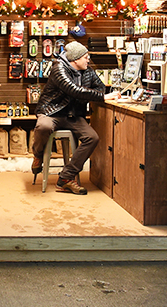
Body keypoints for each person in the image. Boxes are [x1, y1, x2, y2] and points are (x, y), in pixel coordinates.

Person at [30, 41, 119, 194]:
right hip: (52, 111)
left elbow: (100, 87)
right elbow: (73, 89)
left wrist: (87, 95)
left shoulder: (88, 71)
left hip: (73, 115)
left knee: (92, 137)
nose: (88, 60)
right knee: (43, 127)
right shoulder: (58, 69)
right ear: (75, 59)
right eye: (85, 57)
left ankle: (66, 177)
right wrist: (103, 97)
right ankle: (38, 155)